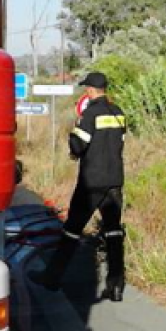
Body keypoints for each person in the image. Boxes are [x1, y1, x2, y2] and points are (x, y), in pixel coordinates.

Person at [29, 71, 128, 301]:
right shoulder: (119, 113)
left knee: (72, 229)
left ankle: (52, 278)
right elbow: (119, 143)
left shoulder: (90, 114)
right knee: (113, 231)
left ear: (91, 90)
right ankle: (116, 285)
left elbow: (78, 146)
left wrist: (73, 137)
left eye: (87, 89)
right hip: (114, 181)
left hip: (91, 182)